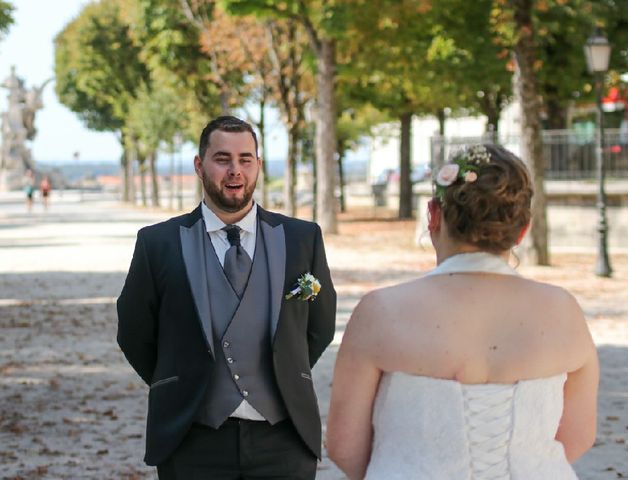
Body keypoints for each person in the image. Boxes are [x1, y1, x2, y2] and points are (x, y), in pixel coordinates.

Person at [326, 144, 598, 479]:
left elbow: (343, 446)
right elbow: (579, 437)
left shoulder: (381, 311)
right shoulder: (563, 311)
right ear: (523, 229)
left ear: (434, 215)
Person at [117, 115, 336, 479]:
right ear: (200, 166)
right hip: (191, 441)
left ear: (258, 166)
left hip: (284, 440)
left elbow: (320, 327)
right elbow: (135, 333)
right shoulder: (157, 243)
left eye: (245, 159)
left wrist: (281, 374)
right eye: (222, 159)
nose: (235, 170)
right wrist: (180, 381)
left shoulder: (302, 238)